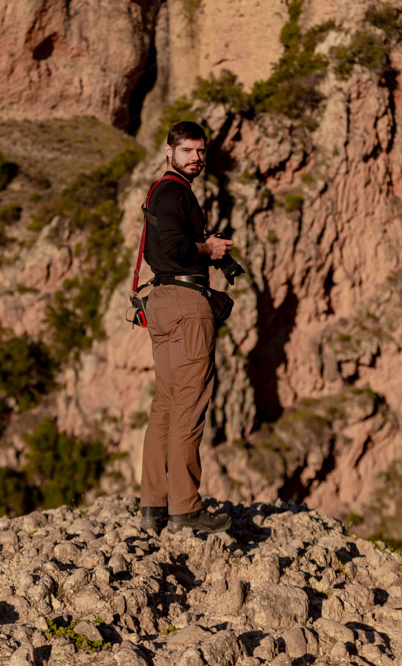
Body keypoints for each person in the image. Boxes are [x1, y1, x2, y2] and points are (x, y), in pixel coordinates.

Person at [139, 120, 233, 534]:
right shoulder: (176, 191)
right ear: (169, 151)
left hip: (159, 302)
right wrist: (208, 248)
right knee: (188, 407)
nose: (195, 158)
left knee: (166, 404)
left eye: (200, 152)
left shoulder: (160, 192)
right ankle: (185, 509)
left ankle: (153, 506)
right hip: (185, 304)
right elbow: (177, 247)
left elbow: (161, 248)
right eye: (187, 151)